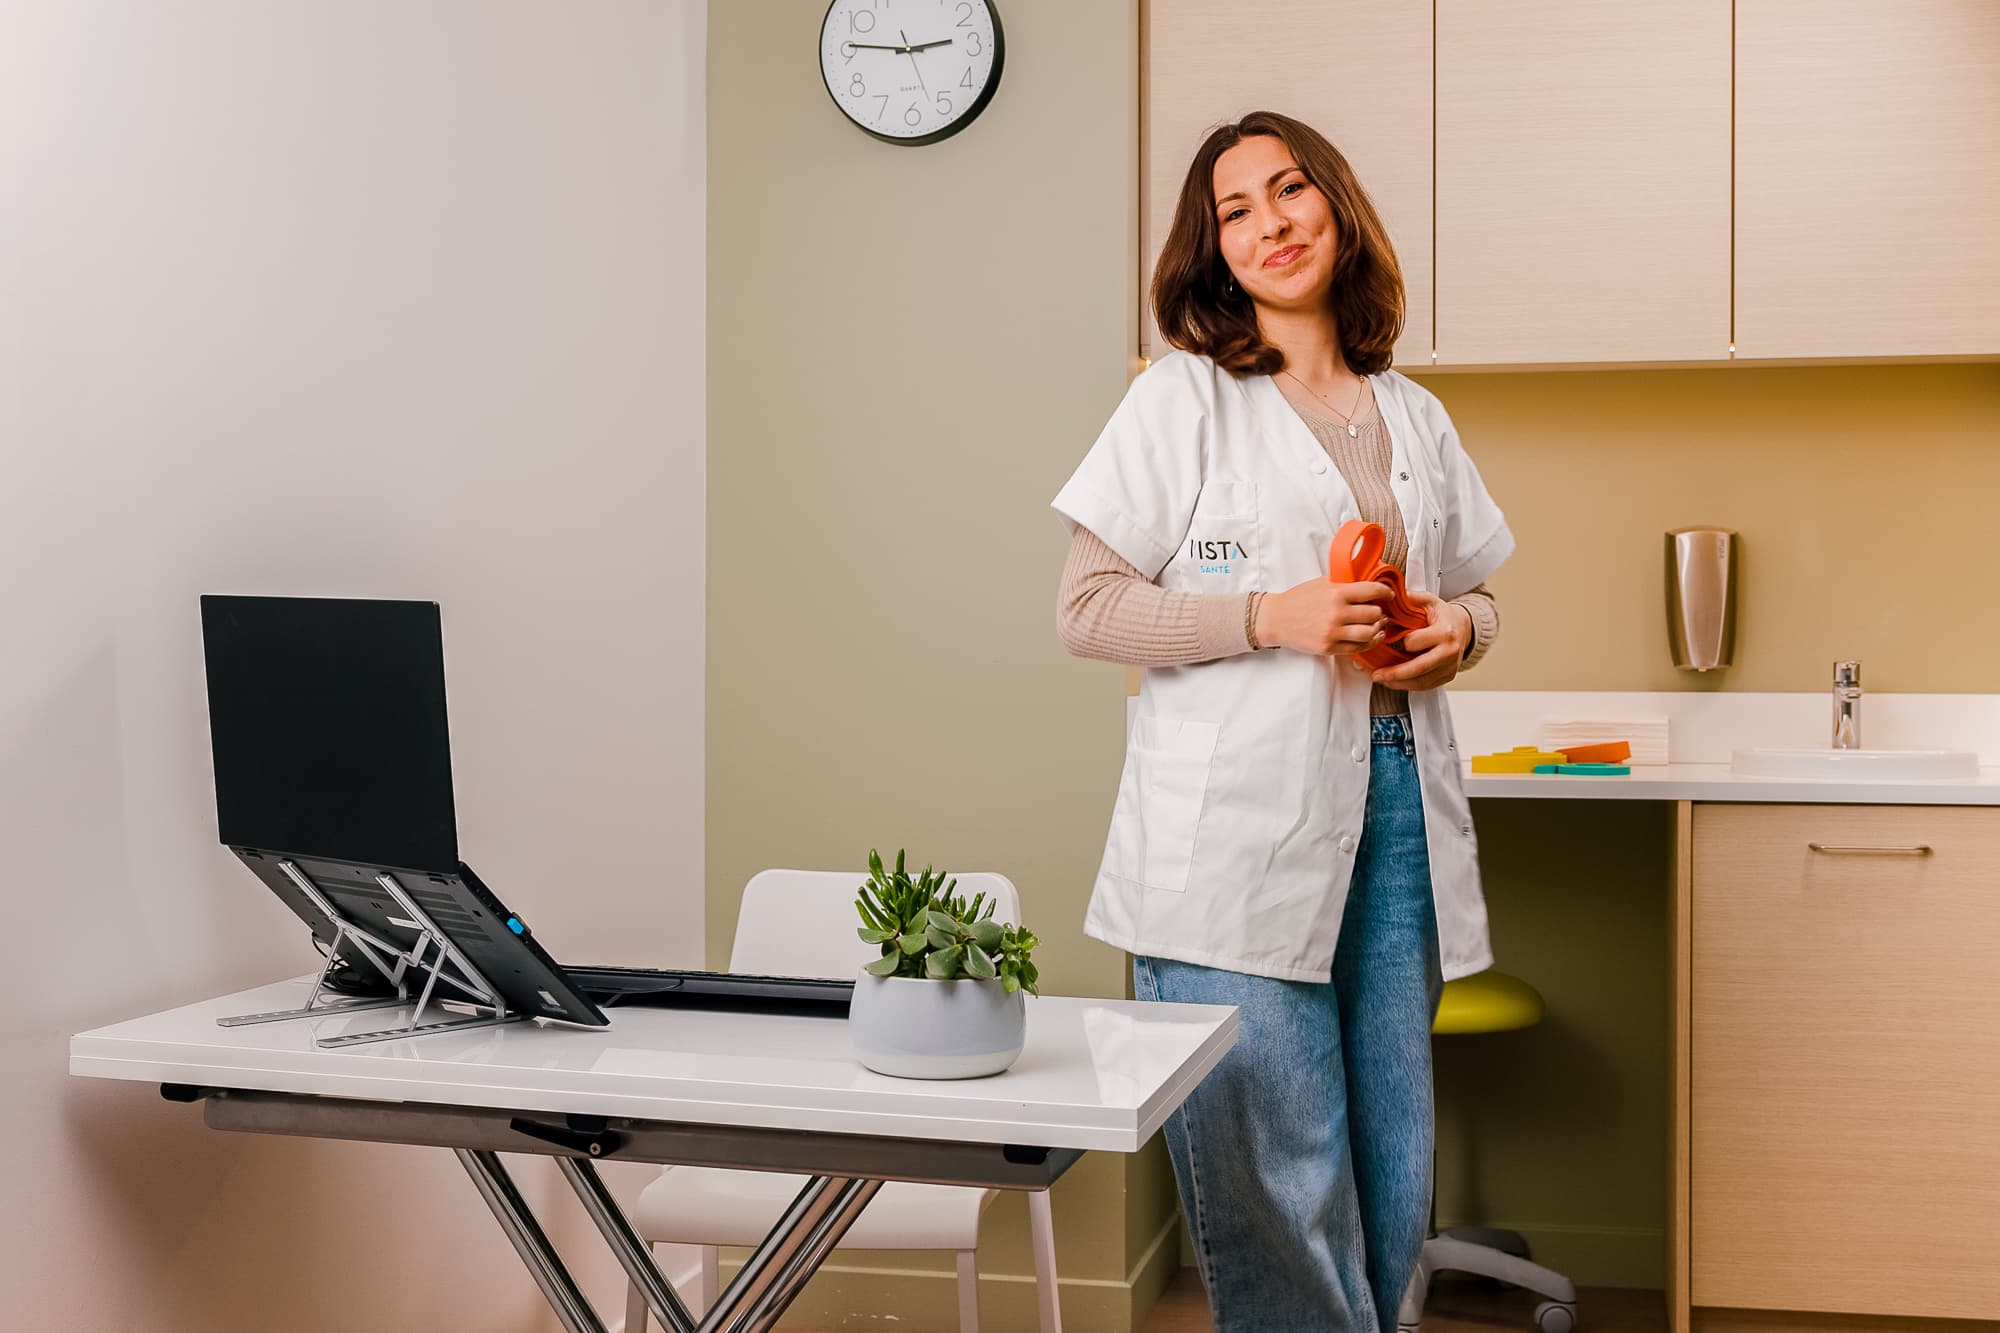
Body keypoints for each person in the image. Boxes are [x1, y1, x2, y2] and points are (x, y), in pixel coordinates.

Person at [1050, 111, 1513, 1331]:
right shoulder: (1180, 400)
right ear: (1211, 252)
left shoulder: (1409, 414)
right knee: (1274, 1173)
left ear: (1335, 206)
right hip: (1226, 842)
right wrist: (1270, 614)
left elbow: (1475, 596)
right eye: (1233, 212)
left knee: (1388, 1161)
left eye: (1287, 190)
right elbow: (1088, 611)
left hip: (1395, 807)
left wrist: (1456, 633)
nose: (1267, 223)